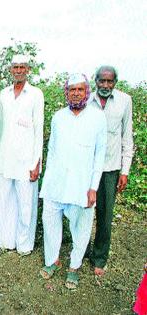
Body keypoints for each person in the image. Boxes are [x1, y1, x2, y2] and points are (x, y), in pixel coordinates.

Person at [39, 73, 107, 289]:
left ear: (86, 92)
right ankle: (52, 261)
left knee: (81, 227)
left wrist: (93, 187)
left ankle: (74, 268)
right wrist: (47, 180)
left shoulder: (97, 117)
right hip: (56, 183)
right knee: (50, 221)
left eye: (80, 89)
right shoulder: (58, 116)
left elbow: (100, 155)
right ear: (66, 92)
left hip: (82, 185)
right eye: (72, 89)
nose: (76, 93)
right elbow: (52, 150)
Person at [0, 55, 44, 256]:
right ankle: (6, 242)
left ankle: (24, 245)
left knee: (25, 204)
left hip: (26, 159)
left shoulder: (35, 94)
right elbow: (0, 128)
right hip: (5, 158)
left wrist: (36, 162)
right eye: (15, 67)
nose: (18, 70)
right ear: (10, 69)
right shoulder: (4, 94)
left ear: (28, 69)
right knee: (5, 202)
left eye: (22, 67)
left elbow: (38, 129)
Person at [87, 65, 134, 276]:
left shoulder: (125, 101)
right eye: (102, 81)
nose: (105, 85)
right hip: (86, 167)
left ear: (115, 82)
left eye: (110, 81)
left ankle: (99, 257)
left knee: (105, 215)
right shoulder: (86, 99)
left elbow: (127, 137)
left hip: (110, 168)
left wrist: (125, 170)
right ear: (95, 80)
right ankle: (81, 252)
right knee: (82, 212)